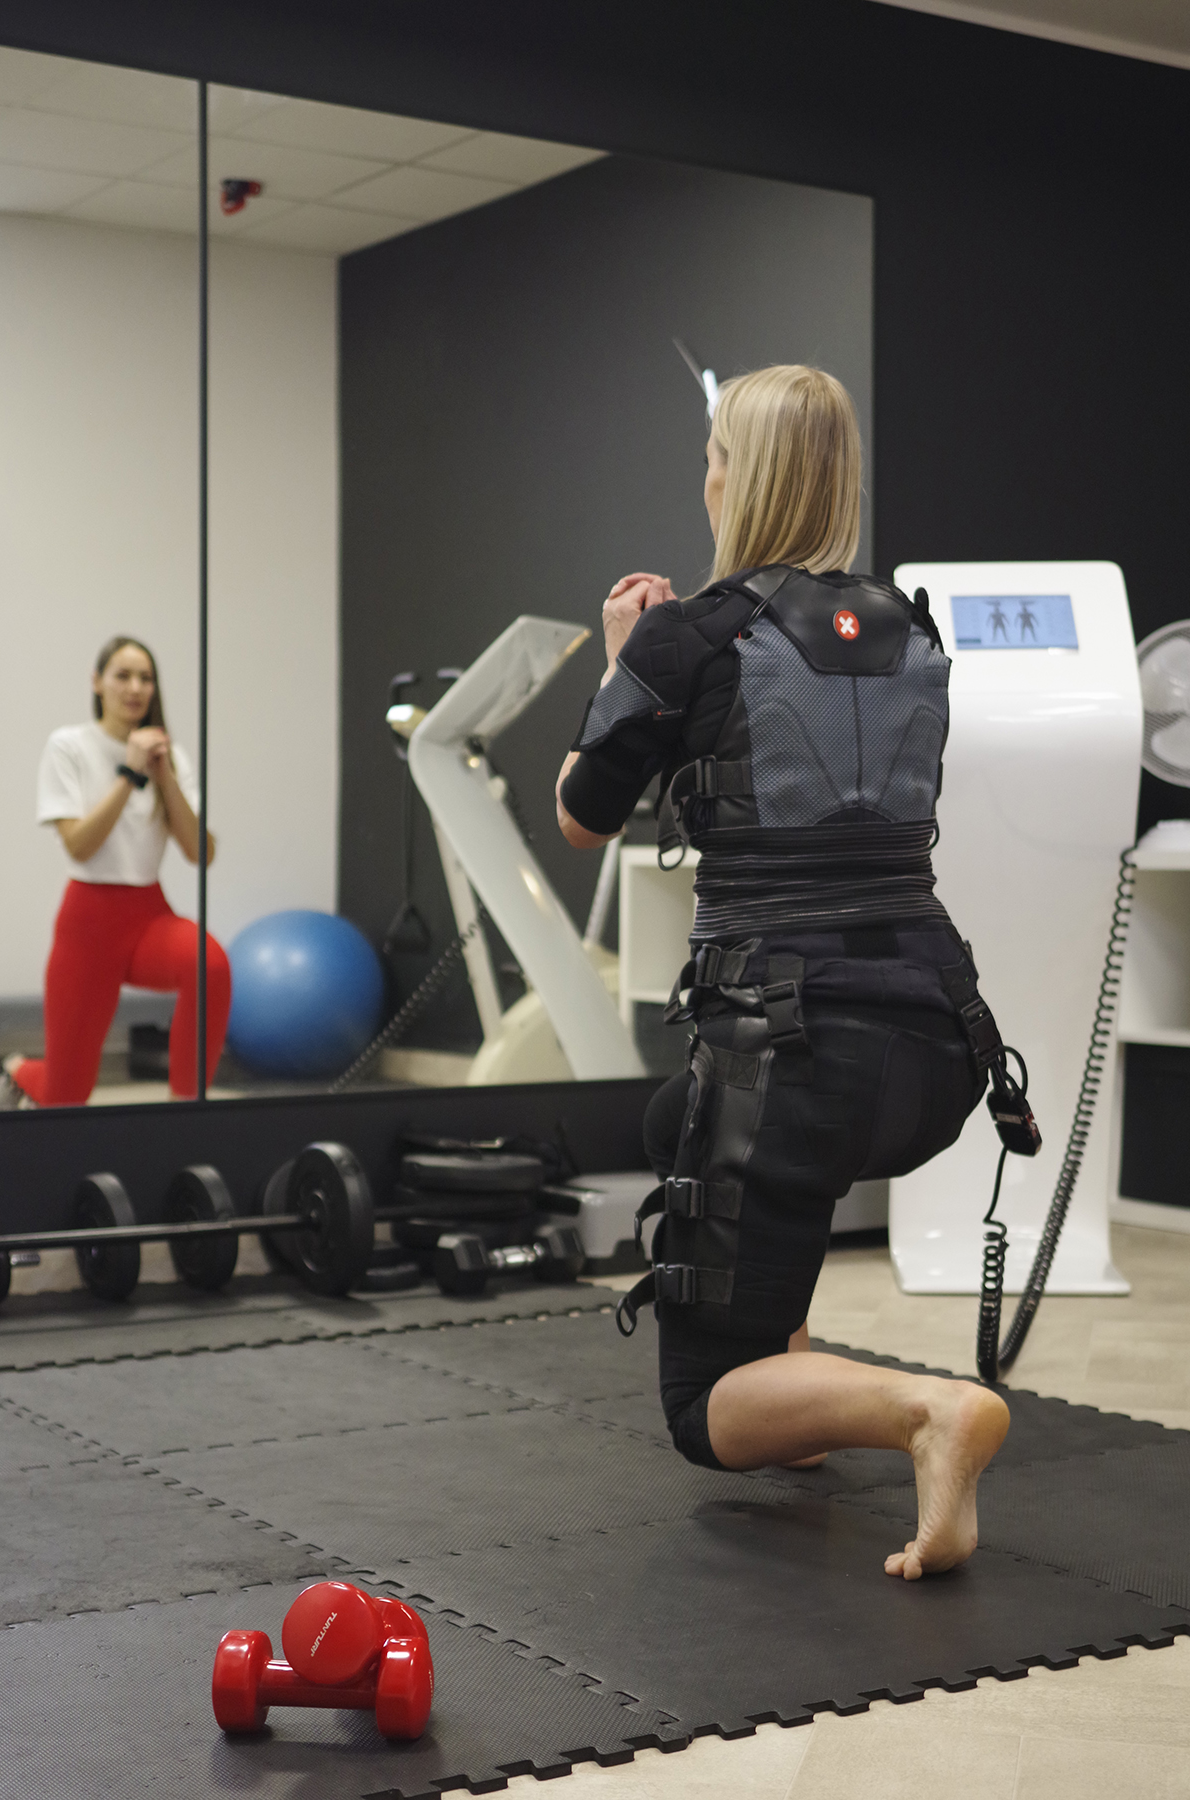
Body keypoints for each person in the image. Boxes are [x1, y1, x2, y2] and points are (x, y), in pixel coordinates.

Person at [555, 364, 1009, 1580]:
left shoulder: (687, 634)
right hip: (941, 1050)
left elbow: (582, 816)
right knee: (678, 1118)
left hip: (797, 1061)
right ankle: (797, 1383)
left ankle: (928, 1412)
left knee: (700, 1410)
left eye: (713, 458)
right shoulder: (911, 627)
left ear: (733, 478)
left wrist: (622, 663)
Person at [0, 636, 230, 1108]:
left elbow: (201, 853)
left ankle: (186, 1111)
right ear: (97, 682)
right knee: (66, 1096)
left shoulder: (172, 757)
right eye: (123, 676)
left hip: (148, 915)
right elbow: (79, 845)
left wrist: (163, 775)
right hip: (89, 922)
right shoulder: (69, 745)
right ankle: (18, 1071)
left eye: (146, 678)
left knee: (210, 965)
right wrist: (129, 774)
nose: (135, 688)